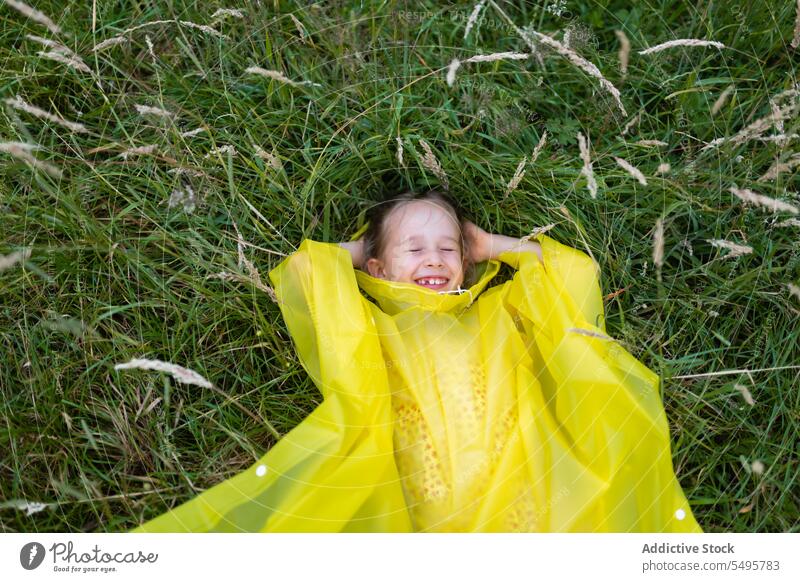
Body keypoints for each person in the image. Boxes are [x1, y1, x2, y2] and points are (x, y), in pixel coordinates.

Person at [132, 189, 703, 533]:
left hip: (521, 493)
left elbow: (573, 274)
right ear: (377, 269)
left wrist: (491, 247)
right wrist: (367, 253)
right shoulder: (372, 322)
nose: (435, 259)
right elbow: (305, 275)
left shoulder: (503, 307)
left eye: (449, 248)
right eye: (415, 248)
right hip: (418, 496)